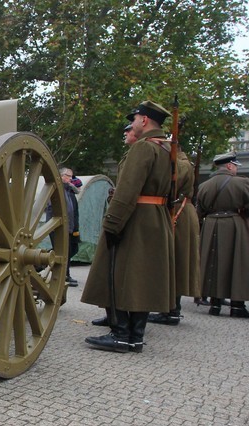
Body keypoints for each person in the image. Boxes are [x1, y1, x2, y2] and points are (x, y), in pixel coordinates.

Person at [82, 101, 174, 353]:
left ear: (144, 120)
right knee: (141, 278)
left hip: (134, 217)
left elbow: (127, 190)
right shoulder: (165, 149)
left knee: (120, 273)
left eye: (134, 119)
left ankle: (121, 334)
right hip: (154, 217)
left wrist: (112, 223)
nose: (132, 124)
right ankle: (135, 336)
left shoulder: (143, 148)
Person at [197, 152, 249, 317]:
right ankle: (237, 307)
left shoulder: (204, 185)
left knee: (213, 263)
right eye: (235, 165)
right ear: (229, 165)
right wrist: (242, 215)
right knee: (237, 263)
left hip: (211, 223)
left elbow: (199, 210)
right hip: (234, 224)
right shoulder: (241, 183)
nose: (235, 168)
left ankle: (215, 305)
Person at [148, 144, 201, 325]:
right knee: (174, 260)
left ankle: (171, 310)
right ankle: (170, 309)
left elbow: (170, 186)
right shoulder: (182, 162)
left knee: (175, 260)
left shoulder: (181, 164)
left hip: (178, 213)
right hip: (178, 211)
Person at [46, 167, 83, 286]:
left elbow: (74, 210)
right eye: (68, 175)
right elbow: (52, 208)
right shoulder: (56, 189)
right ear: (61, 176)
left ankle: (56, 270)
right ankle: (63, 276)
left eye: (72, 176)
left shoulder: (69, 191)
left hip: (70, 226)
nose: (71, 178)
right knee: (62, 251)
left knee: (71, 249)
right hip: (58, 226)